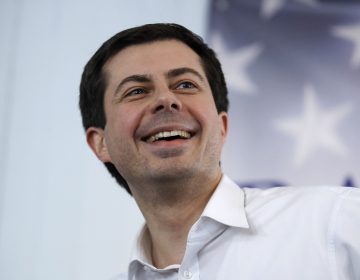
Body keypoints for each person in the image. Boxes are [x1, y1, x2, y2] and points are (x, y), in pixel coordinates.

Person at [79, 23, 360, 280]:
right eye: (137, 91)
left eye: (186, 85)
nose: (166, 99)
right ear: (100, 143)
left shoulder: (335, 219)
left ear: (222, 126)